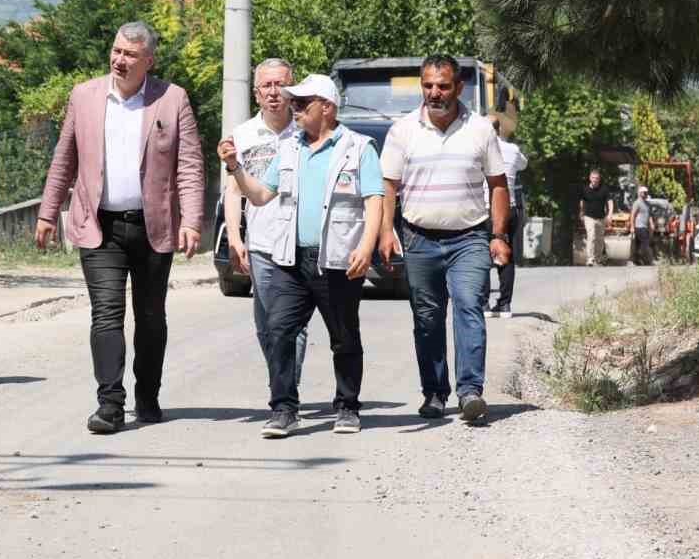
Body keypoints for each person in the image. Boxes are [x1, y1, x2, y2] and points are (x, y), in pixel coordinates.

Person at [35, 21, 205, 434]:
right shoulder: (85, 96)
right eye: (116, 51)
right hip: (100, 227)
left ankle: (148, 394)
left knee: (150, 317)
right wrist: (46, 212)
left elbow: (189, 165)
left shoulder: (173, 99)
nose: (119, 60)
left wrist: (193, 221)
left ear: (149, 60)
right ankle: (110, 403)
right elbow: (65, 158)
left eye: (130, 55)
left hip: (154, 227)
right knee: (106, 313)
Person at [218, 74, 385, 438]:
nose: (293, 109)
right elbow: (261, 195)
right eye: (292, 103)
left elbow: (375, 199)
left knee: (344, 336)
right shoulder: (290, 148)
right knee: (279, 331)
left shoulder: (359, 147)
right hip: (290, 260)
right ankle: (283, 410)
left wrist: (366, 245)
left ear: (326, 107)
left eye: (301, 104)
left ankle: (347, 407)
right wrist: (235, 168)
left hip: (336, 260)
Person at [377, 55, 511, 424]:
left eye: (443, 86)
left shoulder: (481, 129)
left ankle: (470, 391)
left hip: (469, 237)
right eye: (428, 85)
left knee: (469, 305)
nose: (434, 93)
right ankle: (435, 393)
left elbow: (498, 185)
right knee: (427, 317)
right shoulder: (402, 131)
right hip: (419, 239)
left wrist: (498, 234)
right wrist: (386, 231)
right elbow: (388, 185)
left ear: (459, 87)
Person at [223, 58, 310, 376]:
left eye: (280, 84)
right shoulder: (244, 134)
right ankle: (282, 384)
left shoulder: (306, 131)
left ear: (291, 88)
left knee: (290, 322)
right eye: (266, 86)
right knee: (265, 325)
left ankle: (286, 392)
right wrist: (234, 238)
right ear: (256, 93)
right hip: (260, 243)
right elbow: (234, 191)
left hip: (300, 241)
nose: (274, 92)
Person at [486, 119, 528, 317]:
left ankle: (484, 304)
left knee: (481, 256)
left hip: (486, 209)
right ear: (498, 129)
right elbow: (523, 164)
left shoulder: (477, 148)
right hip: (509, 208)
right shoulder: (512, 149)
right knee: (507, 256)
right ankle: (504, 305)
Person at [579, 169, 614, 267]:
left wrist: (610, 214)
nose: (595, 180)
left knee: (599, 238)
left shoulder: (604, 189)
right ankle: (590, 258)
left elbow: (610, 202)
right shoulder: (585, 189)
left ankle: (598, 258)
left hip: (601, 217)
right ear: (590, 178)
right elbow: (581, 201)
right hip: (589, 217)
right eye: (593, 178)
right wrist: (581, 212)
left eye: (597, 178)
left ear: (599, 179)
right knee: (591, 236)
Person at [631, 186, 654, 266]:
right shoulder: (637, 203)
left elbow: (649, 215)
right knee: (645, 243)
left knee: (638, 245)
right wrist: (632, 227)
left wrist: (651, 224)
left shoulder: (647, 204)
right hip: (639, 226)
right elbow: (633, 215)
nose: (646, 194)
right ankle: (648, 261)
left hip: (645, 226)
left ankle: (635, 260)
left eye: (646, 192)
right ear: (640, 193)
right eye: (644, 192)